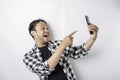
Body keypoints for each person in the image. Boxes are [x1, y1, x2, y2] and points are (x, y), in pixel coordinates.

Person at [23, 19, 98, 80]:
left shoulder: (58, 44)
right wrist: (62, 46)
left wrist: (92, 39)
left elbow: (78, 53)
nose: (47, 30)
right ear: (33, 33)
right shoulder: (28, 57)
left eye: (47, 28)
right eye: (43, 28)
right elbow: (45, 69)